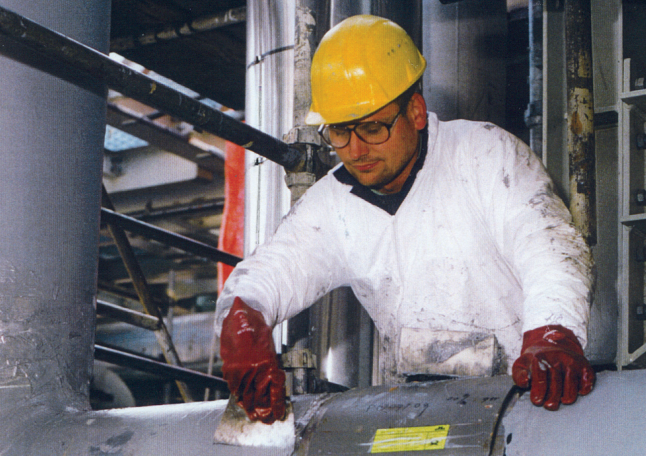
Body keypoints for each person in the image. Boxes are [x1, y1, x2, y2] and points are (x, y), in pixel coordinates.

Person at [214, 15, 594, 424]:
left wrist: (552, 331)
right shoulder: (331, 205)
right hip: (416, 412)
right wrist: (243, 324)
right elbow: (269, 273)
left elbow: (547, 246)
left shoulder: (484, 153)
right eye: (339, 131)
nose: (356, 149)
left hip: (530, 396)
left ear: (415, 111)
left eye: (372, 127)